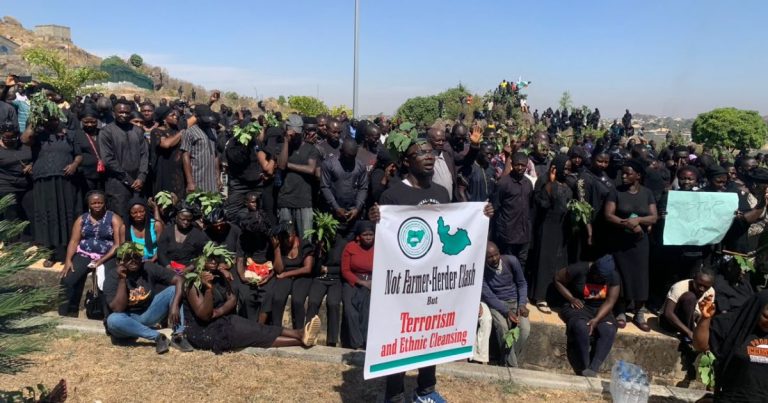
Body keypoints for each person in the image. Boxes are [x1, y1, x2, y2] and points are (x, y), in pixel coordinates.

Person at [368, 137, 494, 403]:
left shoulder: (440, 193)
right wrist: (377, 219)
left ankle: (426, 389)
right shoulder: (392, 194)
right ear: (406, 162)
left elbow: (451, 226)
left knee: (430, 336)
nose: (428, 157)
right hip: (404, 283)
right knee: (400, 335)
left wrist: (481, 215)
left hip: (433, 281)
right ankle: (395, 393)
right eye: (421, 153)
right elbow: (386, 239)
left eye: (431, 153)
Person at [183, 246, 321, 353]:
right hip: (203, 331)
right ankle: (300, 338)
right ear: (200, 260)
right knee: (255, 336)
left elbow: (232, 299)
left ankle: (298, 334)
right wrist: (208, 289)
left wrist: (218, 312)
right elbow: (204, 315)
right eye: (209, 259)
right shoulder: (192, 283)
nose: (213, 262)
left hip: (221, 319)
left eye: (215, 258)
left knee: (256, 328)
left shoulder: (219, 274)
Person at [104, 242, 192, 354]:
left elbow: (179, 279)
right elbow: (118, 309)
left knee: (173, 290)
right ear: (119, 262)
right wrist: (122, 279)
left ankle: (178, 336)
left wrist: (174, 305)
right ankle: (158, 337)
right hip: (126, 318)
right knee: (113, 320)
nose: (133, 261)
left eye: (136, 257)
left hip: (147, 314)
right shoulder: (112, 276)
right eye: (128, 258)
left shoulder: (147, 267)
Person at [22, 102, 82, 266]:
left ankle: (65, 252)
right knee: (47, 216)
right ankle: (50, 253)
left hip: (64, 181)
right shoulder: (38, 135)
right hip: (43, 181)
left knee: (64, 215)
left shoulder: (69, 134)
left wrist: (74, 165)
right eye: (48, 118)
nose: (52, 121)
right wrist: (35, 120)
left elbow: (78, 155)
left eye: (55, 118)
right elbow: (24, 139)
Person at [604, 159, 658, 331]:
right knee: (621, 275)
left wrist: (638, 221)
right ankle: (620, 310)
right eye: (623, 173)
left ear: (638, 176)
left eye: (628, 173)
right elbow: (609, 215)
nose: (624, 176)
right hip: (620, 242)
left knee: (640, 276)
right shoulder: (616, 192)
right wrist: (626, 224)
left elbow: (653, 217)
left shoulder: (647, 193)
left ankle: (639, 311)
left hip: (640, 243)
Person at [693, 291, 768, 402]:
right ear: (756, 309)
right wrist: (705, 318)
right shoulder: (733, 325)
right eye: (766, 317)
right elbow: (700, 345)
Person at [553, 254, 620, 376]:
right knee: (581, 327)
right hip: (579, 306)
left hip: (601, 309)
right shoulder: (579, 269)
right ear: (593, 268)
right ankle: (584, 365)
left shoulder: (613, 276)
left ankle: (594, 368)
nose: (599, 279)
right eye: (597, 276)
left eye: (602, 278)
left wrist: (597, 319)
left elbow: (610, 301)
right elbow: (557, 279)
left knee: (609, 329)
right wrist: (571, 298)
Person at [59, 191, 122, 316]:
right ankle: (67, 312)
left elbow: (118, 244)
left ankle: (107, 314)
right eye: (94, 203)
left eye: (100, 203)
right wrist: (68, 260)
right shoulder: (82, 219)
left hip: (107, 255)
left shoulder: (114, 218)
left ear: (105, 204)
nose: (97, 205)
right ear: (89, 204)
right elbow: (74, 241)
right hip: (85, 253)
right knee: (68, 279)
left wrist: (101, 261)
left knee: (107, 282)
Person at [531, 154, 573, 313]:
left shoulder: (568, 186)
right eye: (565, 168)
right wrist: (551, 181)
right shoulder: (548, 184)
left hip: (561, 229)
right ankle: (541, 297)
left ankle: (554, 296)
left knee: (558, 263)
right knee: (545, 261)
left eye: (569, 169)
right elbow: (543, 204)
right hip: (548, 227)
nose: (568, 171)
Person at [481, 241, 530, 367]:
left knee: (524, 329)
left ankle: (506, 360)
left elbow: (521, 283)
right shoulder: (482, 271)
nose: (494, 259)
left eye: (496, 254)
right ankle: (513, 366)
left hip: (515, 302)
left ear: (499, 252)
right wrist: (506, 311)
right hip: (497, 304)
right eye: (490, 257)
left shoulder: (511, 261)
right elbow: (489, 297)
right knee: (502, 327)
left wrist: (522, 304)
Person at [99, 100, 149, 220]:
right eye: (121, 112)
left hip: (138, 182)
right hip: (118, 183)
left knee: (139, 217)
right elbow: (107, 159)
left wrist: (141, 176)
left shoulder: (137, 131)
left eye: (127, 113)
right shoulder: (106, 132)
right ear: (113, 112)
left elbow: (144, 155)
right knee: (120, 218)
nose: (124, 115)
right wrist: (127, 179)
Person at [276, 114, 320, 236]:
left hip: (304, 201)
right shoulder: (281, 146)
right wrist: (286, 141)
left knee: (306, 239)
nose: (295, 135)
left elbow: (311, 169)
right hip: (285, 200)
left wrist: (289, 165)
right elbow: (281, 165)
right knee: (287, 238)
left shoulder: (310, 149)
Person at [271, 219, 314, 328]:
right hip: (285, 275)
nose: (286, 240)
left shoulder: (304, 245)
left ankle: (300, 331)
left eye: (288, 237)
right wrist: (276, 249)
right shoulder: (281, 245)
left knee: (298, 301)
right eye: (284, 237)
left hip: (302, 276)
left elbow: (307, 268)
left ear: (294, 234)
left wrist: (286, 274)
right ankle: (276, 330)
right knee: (277, 298)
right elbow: (279, 270)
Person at [493, 152, 534, 266]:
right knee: (508, 262)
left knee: (522, 262)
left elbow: (530, 206)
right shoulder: (503, 183)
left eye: (523, 165)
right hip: (508, 233)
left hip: (524, 233)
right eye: (517, 165)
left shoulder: (528, 183)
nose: (520, 168)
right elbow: (496, 207)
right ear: (512, 164)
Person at [320, 138, 368, 231]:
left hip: (353, 213)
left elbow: (363, 188)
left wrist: (357, 208)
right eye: (348, 157)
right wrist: (336, 207)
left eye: (353, 157)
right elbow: (325, 187)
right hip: (332, 213)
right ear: (341, 152)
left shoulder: (360, 166)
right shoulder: (329, 164)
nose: (350, 160)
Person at [341, 221, 375, 349]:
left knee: (366, 310)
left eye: (371, 234)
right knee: (350, 311)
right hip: (353, 281)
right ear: (358, 236)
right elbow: (345, 270)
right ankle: (357, 343)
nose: (368, 237)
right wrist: (360, 282)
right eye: (365, 235)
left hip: (372, 282)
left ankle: (367, 343)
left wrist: (370, 283)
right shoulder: (350, 247)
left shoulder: (379, 247)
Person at [661, 267, 716, 340]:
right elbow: (668, 313)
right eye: (699, 284)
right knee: (690, 297)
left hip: (691, 323)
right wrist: (688, 332)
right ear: (694, 279)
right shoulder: (680, 287)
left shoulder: (710, 292)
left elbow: (704, 315)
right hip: (669, 323)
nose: (701, 289)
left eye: (706, 287)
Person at [0, 121, 33, 240]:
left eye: (13, 137)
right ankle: (13, 245)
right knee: (11, 216)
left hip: (26, 185)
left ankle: (29, 242)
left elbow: (36, 156)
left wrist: (31, 165)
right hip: (6, 186)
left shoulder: (24, 143)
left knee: (29, 214)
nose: (10, 140)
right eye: (6, 138)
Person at [156, 203, 209, 273]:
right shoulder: (167, 232)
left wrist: (189, 268)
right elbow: (161, 253)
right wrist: (168, 267)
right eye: (183, 219)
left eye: (189, 220)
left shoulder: (198, 234)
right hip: (168, 269)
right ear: (176, 217)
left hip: (189, 271)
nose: (186, 222)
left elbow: (204, 253)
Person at [182, 105, 220, 193]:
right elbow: (185, 156)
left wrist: (218, 177)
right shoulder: (190, 132)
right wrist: (190, 181)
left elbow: (216, 155)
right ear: (196, 117)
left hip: (212, 180)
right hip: (197, 179)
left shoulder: (213, 131)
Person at [150, 105, 186, 197]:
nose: (175, 116)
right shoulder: (156, 131)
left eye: (175, 114)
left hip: (178, 171)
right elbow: (166, 144)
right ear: (164, 119)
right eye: (172, 115)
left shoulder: (176, 129)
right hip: (164, 171)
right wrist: (180, 133)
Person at [122, 197, 163, 262]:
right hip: (134, 262)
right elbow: (123, 250)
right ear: (129, 213)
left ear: (146, 211)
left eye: (141, 211)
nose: (138, 215)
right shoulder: (124, 228)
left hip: (155, 260)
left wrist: (152, 260)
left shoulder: (156, 225)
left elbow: (162, 247)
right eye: (134, 213)